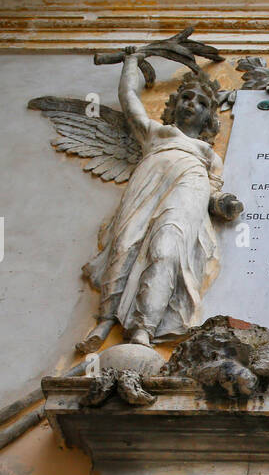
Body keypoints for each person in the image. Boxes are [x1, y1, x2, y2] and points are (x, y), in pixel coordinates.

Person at [78, 52, 242, 352]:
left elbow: (213, 194)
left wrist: (225, 204)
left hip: (188, 192)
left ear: (210, 117)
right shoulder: (155, 133)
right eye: (186, 97)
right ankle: (106, 318)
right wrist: (130, 62)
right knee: (125, 247)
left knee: (166, 251)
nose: (192, 103)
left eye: (202, 103)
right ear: (174, 104)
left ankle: (144, 327)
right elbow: (128, 99)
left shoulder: (208, 156)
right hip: (146, 189)